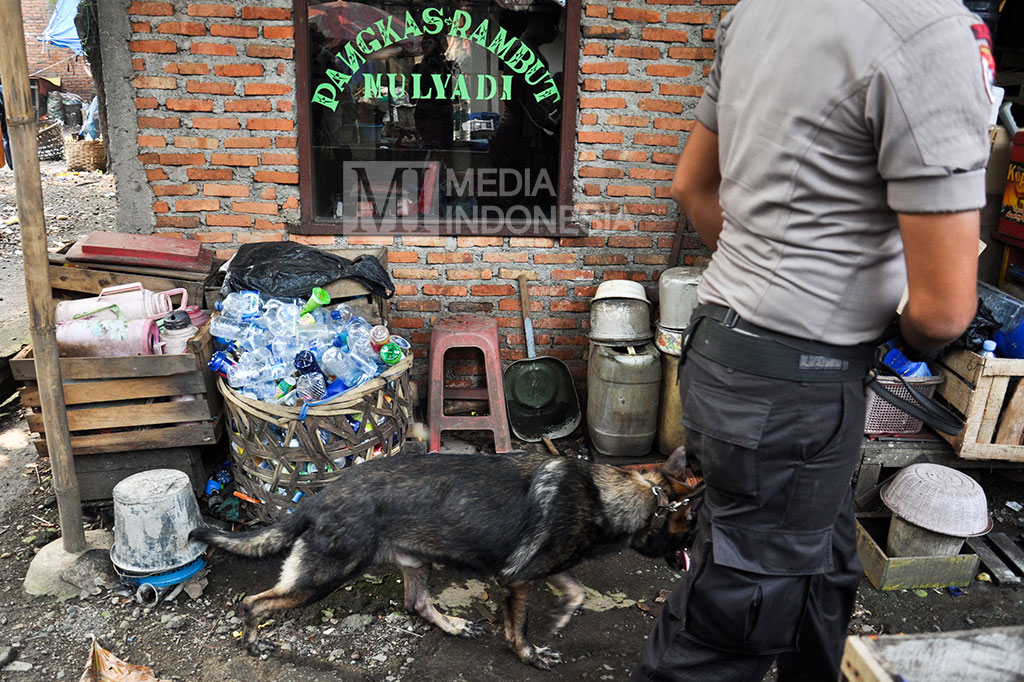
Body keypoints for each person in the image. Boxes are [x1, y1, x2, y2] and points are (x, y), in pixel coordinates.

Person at [632, 1, 993, 680]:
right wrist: (899, 338)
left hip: (722, 349)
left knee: (822, 568)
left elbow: (691, 185)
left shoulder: (757, 12)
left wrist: (766, 288)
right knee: (735, 615)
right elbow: (946, 310)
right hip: (793, 386)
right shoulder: (926, 31)